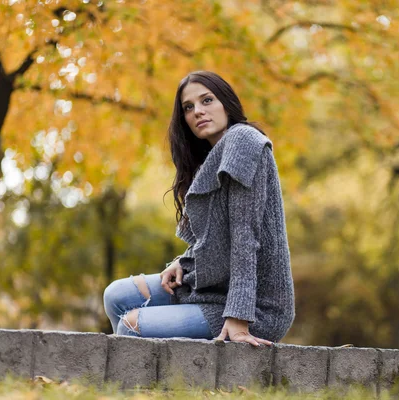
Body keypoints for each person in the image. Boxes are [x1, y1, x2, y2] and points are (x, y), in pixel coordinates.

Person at [103, 71, 295, 346]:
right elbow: (219, 234)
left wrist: (239, 318)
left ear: (226, 103)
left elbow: (244, 235)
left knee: (130, 325)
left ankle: (141, 386)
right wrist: (184, 261)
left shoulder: (243, 141)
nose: (198, 112)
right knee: (115, 295)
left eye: (207, 100)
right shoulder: (212, 156)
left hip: (254, 308)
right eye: (188, 107)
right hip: (213, 289)